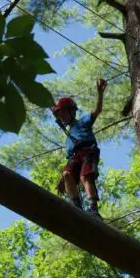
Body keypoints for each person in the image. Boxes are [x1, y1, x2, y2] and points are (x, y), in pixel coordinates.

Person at [53, 79, 107, 218]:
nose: (61, 117)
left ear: (72, 112)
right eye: (59, 115)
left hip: (88, 151)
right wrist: (62, 180)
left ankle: (93, 208)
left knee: (85, 176)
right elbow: (70, 161)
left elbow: (97, 110)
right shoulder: (68, 137)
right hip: (75, 156)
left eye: (63, 113)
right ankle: (77, 207)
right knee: (67, 174)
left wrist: (100, 93)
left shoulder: (83, 122)